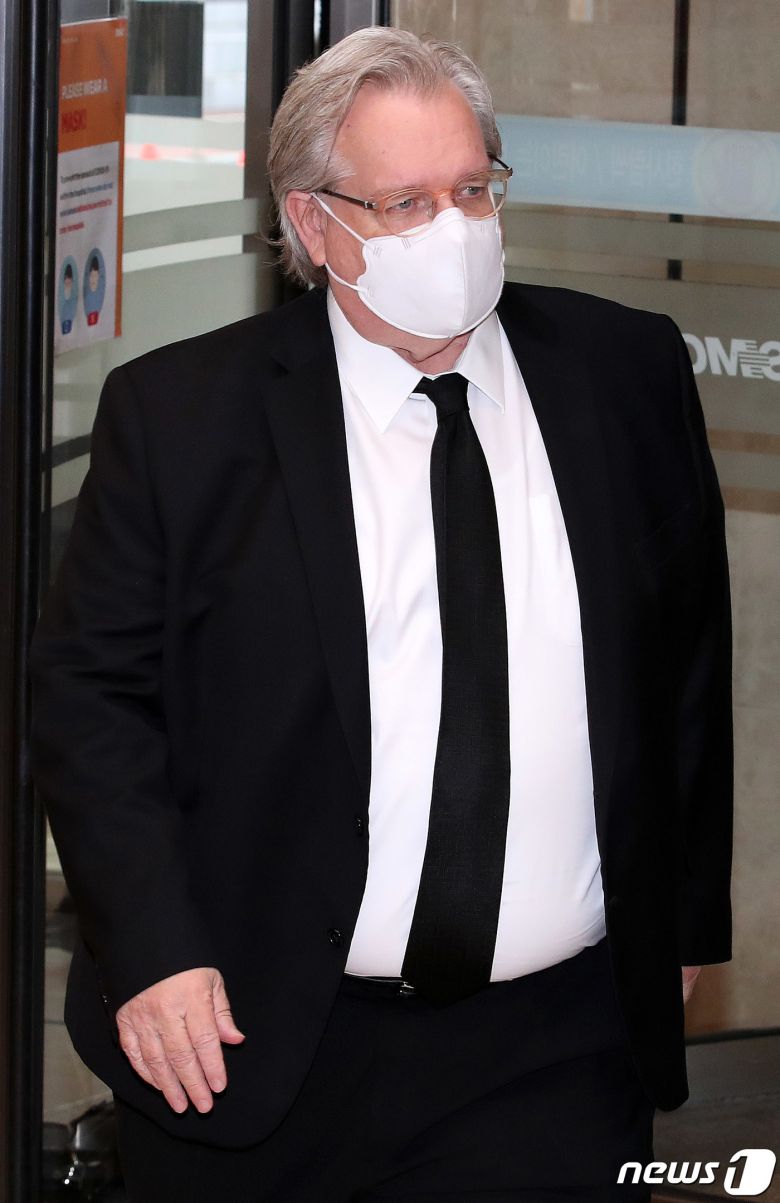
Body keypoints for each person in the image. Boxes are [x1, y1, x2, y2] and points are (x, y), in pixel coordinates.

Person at [31, 26, 732, 1203]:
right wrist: (151, 949)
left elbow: (689, 666)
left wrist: (687, 922)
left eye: (472, 189)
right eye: (405, 204)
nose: (453, 229)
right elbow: (92, 701)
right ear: (315, 225)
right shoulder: (184, 416)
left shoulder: (624, 372)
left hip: (554, 1053)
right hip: (252, 1043)